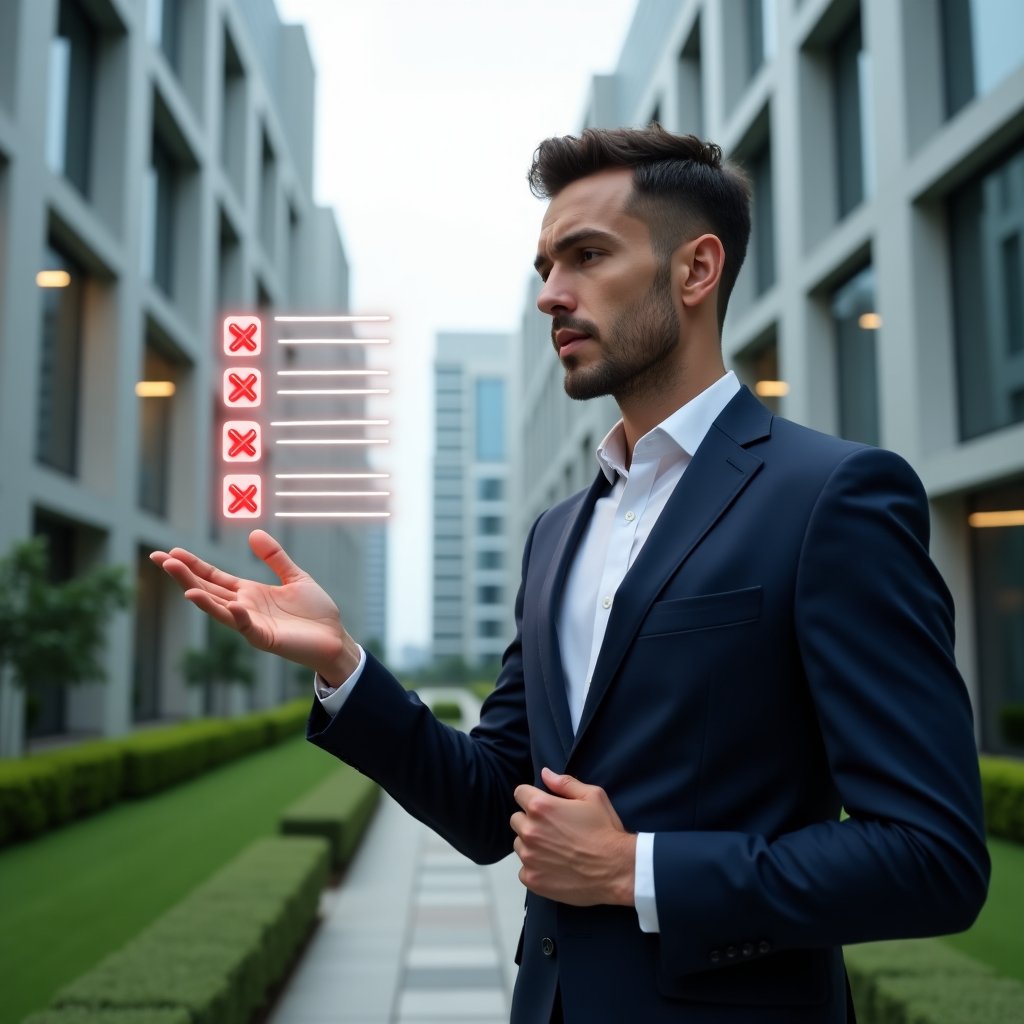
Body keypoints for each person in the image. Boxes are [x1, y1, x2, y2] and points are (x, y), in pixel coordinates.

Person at [152, 125, 989, 1024]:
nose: (552, 295)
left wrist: (639, 871)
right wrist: (343, 666)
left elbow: (933, 857)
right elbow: (490, 804)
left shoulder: (832, 497)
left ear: (696, 271)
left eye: (587, 255)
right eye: (546, 265)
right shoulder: (557, 533)